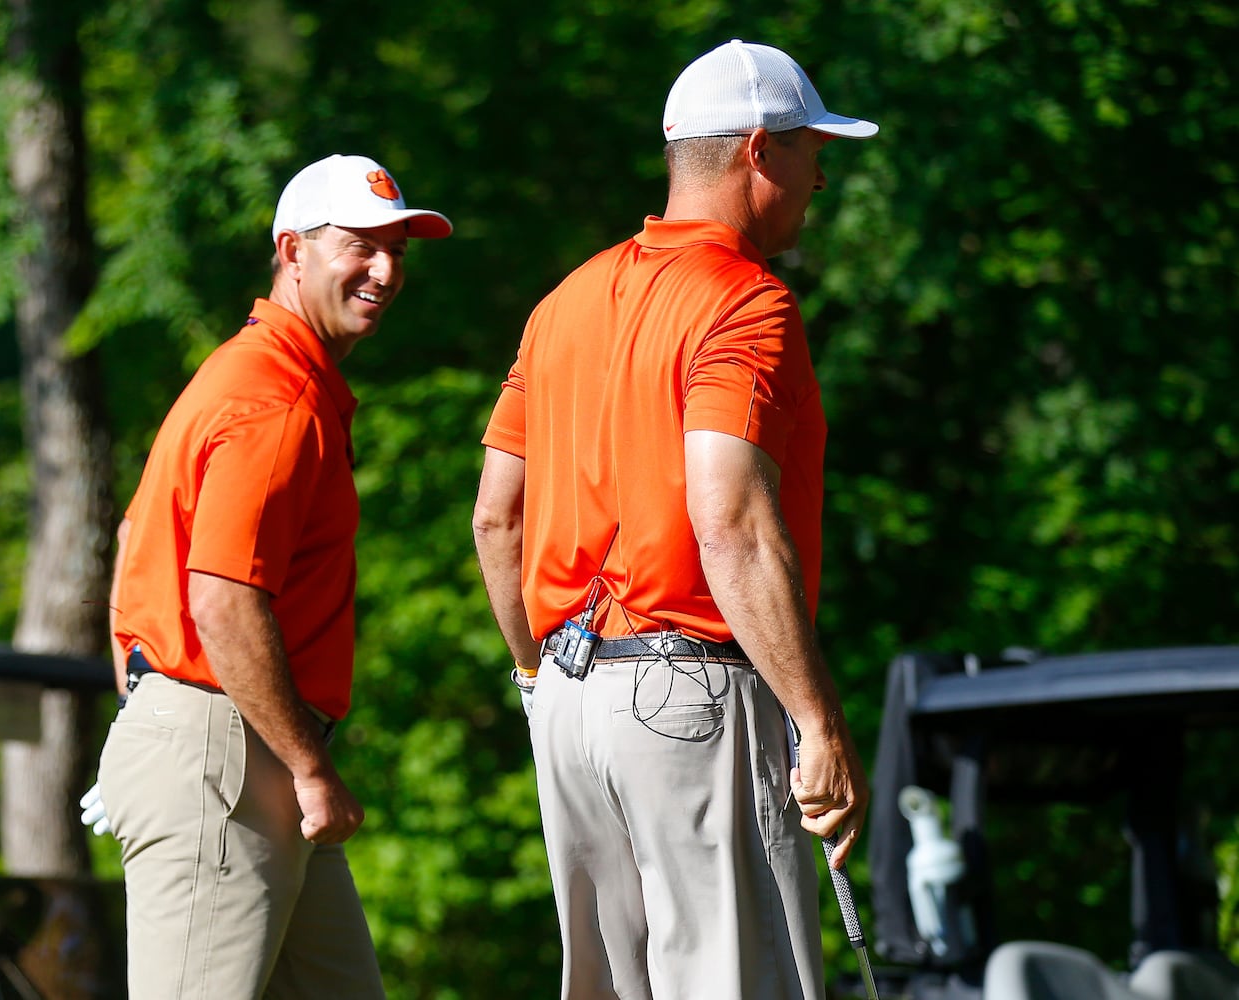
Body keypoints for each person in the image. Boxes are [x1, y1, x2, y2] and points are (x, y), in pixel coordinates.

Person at [471, 39, 876, 999]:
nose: (821, 175)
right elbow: (728, 517)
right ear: (756, 151)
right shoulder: (745, 300)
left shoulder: (562, 303)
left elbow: (496, 519)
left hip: (566, 696)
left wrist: (536, 676)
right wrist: (819, 721)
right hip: (690, 695)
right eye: (812, 148)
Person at [85, 153, 451, 1000]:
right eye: (359, 245)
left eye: (398, 248)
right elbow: (220, 597)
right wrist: (296, 764)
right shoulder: (275, 397)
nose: (386, 270)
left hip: (236, 746)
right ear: (292, 251)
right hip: (230, 749)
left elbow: (136, 533)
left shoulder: (261, 374)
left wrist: (148, 699)